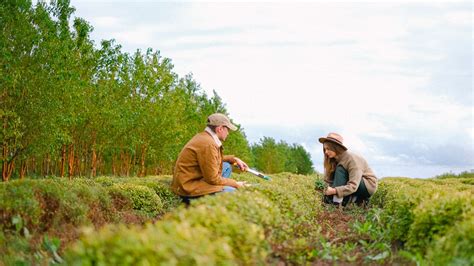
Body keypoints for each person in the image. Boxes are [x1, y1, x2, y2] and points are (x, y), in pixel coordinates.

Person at [171, 113, 249, 202]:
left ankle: (218, 189)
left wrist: (234, 159)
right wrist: (235, 184)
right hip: (188, 188)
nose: (228, 133)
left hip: (190, 180)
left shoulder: (205, 137)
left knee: (227, 166)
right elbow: (212, 178)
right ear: (220, 129)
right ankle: (206, 197)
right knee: (233, 192)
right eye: (228, 129)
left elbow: (211, 159)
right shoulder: (208, 144)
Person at [318, 132, 377, 207]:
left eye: (328, 149)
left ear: (335, 147)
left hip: (367, 186)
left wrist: (333, 191)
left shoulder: (351, 159)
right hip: (354, 185)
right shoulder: (334, 159)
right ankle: (356, 199)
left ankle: (336, 203)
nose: (326, 152)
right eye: (325, 149)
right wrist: (324, 188)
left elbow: (353, 185)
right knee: (327, 197)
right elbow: (329, 181)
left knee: (340, 169)